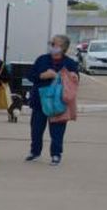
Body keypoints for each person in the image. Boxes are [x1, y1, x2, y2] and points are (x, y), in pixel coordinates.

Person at [26, 35, 79, 165]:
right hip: (40, 101)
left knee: (57, 130)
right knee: (36, 129)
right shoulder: (42, 59)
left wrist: (72, 76)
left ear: (63, 47)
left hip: (59, 102)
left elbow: (75, 82)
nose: (51, 46)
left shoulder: (70, 63)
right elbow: (30, 75)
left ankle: (56, 154)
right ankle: (35, 152)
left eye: (54, 44)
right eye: (51, 43)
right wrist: (42, 75)